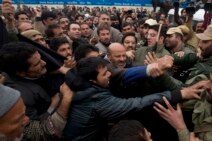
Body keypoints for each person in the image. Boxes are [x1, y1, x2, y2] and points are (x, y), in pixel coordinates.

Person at [63, 56, 203, 141]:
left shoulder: (80, 80)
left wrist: (151, 68)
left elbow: (120, 74)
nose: (109, 75)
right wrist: (179, 94)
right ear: (93, 80)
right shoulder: (95, 100)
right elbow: (138, 104)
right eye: (105, 74)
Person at [154, 55, 212, 141]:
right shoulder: (210, 92)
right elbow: (181, 100)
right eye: (209, 79)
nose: (206, 86)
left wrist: (181, 129)